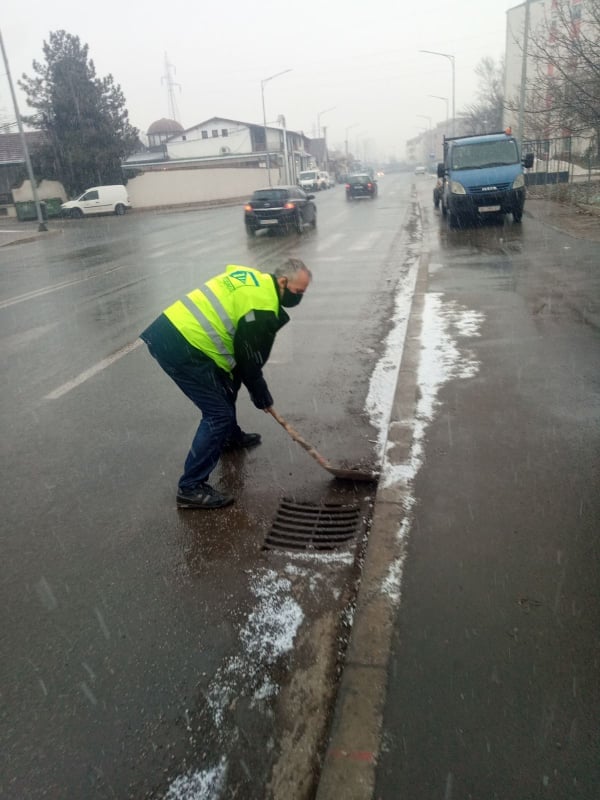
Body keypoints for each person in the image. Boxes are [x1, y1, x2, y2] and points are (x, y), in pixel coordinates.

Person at [140, 257, 312, 509]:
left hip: (174, 332)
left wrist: (250, 384)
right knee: (217, 414)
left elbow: (240, 365)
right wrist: (261, 395)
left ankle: (230, 439)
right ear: (283, 282)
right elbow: (248, 360)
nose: (299, 298)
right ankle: (190, 488)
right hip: (182, 346)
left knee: (226, 386)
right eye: (298, 292)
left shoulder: (258, 282)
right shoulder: (262, 307)